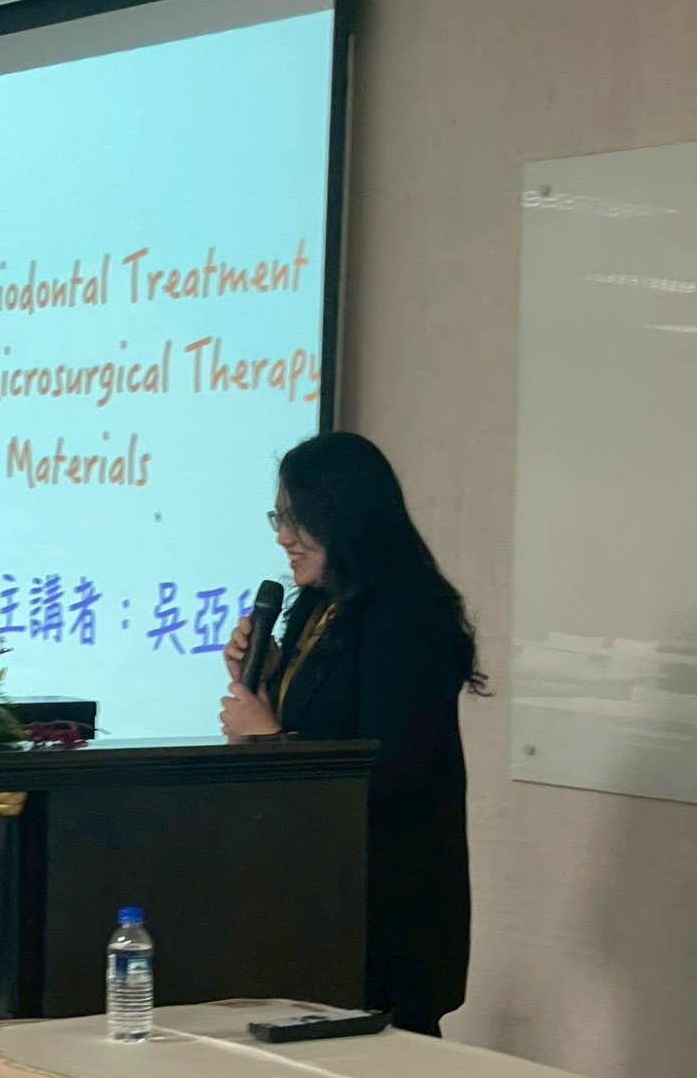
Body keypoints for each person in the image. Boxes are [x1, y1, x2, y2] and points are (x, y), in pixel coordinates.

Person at [219, 431, 485, 1036]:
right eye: (279, 518)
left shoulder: (408, 614)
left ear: (345, 517)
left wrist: (271, 738)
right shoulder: (321, 605)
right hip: (320, 897)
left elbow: (393, 772)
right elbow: (321, 724)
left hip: (384, 904)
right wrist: (263, 681)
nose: (283, 537)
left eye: (297, 519)